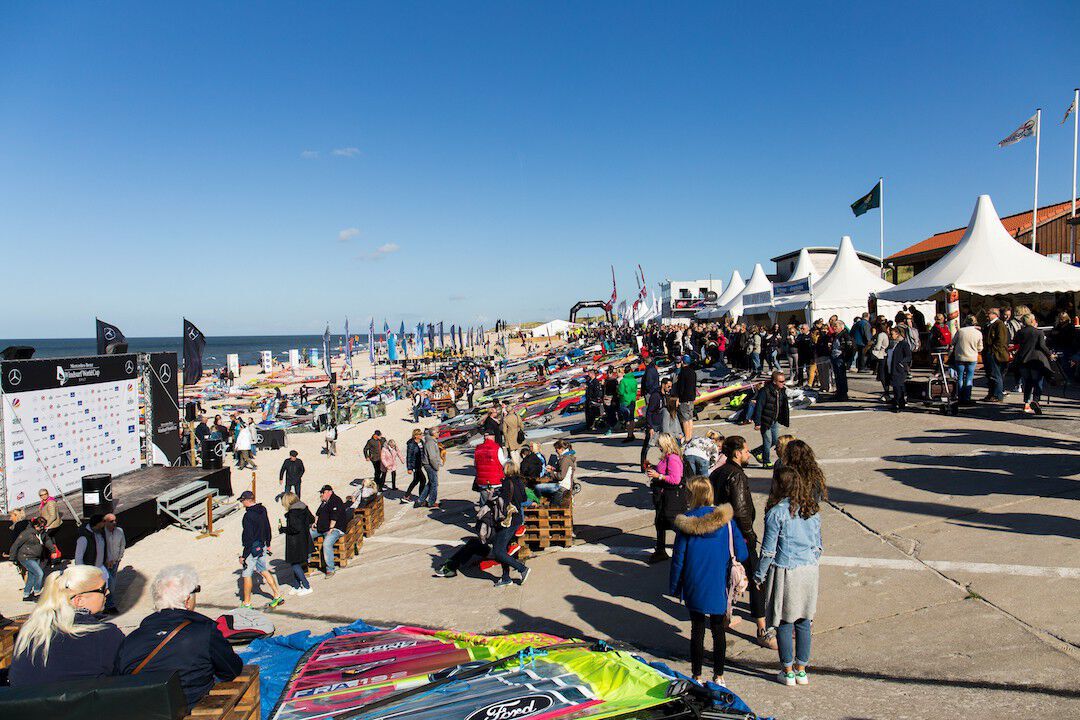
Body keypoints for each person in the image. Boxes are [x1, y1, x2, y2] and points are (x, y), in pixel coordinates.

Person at [116, 565, 243, 710]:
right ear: (188, 600)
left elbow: (121, 679)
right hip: (190, 710)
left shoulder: (131, 639)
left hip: (145, 711)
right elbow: (232, 671)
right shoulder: (204, 631)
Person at [669, 476, 747, 687]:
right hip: (719, 582)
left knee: (697, 629)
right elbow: (742, 552)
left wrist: (675, 586)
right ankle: (719, 675)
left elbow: (678, 559)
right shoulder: (726, 522)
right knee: (718, 629)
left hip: (694, 582)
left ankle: (696, 675)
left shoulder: (686, 524)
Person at [754, 467, 823, 687]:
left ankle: (787, 670)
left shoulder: (776, 513)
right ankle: (802, 670)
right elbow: (818, 545)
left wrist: (759, 575)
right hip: (809, 570)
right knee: (804, 620)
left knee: (784, 621)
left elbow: (768, 550)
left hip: (786, 570)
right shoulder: (812, 510)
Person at [710, 436, 775, 650]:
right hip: (739, 534)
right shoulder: (736, 475)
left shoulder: (718, 472)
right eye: (746, 451)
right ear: (737, 453)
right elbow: (741, 509)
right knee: (756, 579)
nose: (748, 454)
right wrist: (749, 533)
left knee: (726, 576)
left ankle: (726, 617)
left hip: (723, 531)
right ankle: (762, 629)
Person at [9, 565, 123, 686]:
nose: (108, 592)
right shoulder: (105, 635)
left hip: (26, 703)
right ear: (79, 600)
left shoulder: (29, 632)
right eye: (103, 589)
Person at [435, 461, 530, 586]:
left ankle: (522, 569)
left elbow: (503, 502)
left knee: (498, 551)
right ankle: (506, 577)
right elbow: (523, 499)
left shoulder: (507, 483)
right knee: (488, 546)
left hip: (508, 521)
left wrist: (493, 496)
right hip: (516, 520)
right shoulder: (519, 482)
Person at [645, 433, 688, 563]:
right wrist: (653, 468)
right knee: (660, 522)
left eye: (659, 445)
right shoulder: (667, 457)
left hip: (672, 497)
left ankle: (688, 547)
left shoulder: (673, 458)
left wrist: (658, 475)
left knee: (673, 523)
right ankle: (660, 550)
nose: (658, 447)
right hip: (664, 496)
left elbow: (675, 479)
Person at [238, 490, 284, 609]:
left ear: (248, 500)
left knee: (247, 574)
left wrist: (244, 555)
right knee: (263, 569)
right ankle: (277, 595)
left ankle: (247, 603)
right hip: (262, 545)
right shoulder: (262, 509)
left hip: (252, 548)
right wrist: (268, 542)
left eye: (243, 501)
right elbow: (267, 526)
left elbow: (248, 536)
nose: (242, 503)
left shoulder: (248, 516)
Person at [1013, 313, 1054, 415]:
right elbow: (1042, 346)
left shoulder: (1020, 332)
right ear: (1032, 321)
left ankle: (1026, 403)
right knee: (1037, 382)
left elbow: (1015, 342)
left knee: (1027, 382)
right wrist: (1050, 355)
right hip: (1035, 360)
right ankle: (1035, 400)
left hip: (1023, 360)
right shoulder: (1038, 332)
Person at [9, 516, 55, 600]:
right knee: (39, 573)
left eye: (42, 526)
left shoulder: (42, 533)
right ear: (35, 525)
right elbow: (16, 544)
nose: (41, 528)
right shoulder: (27, 533)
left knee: (32, 576)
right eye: (39, 526)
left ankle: (26, 595)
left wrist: (53, 550)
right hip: (25, 557)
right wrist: (12, 558)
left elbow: (47, 540)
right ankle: (37, 592)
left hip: (36, 557)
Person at [278, 492, 314, 596]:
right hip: (304, 538)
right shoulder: (303, 507)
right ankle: (297, 585)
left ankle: (307, 586)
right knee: (296, 563)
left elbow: (294, 528)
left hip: (295, 541)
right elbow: (311, 519)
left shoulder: (293, 513)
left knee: (294, 564)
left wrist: (283, 529)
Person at [753, 371, 790, 468]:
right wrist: (757, 423)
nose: (783, 383)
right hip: (765, 420)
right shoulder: (765, 391)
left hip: (775, 420)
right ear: (774, 382)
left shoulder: (781, 391)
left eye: (783, 381)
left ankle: (757, 451)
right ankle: (766, 462)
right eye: (781, 381)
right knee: (768, 440)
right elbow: (759, 407)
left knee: (775, 441)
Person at [311, 485, 348, 577]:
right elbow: (317, 514)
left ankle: (330, 569)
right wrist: (315, 523)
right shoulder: (324, 502)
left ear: (329, 492)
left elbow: (334, 516)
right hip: (322, 528)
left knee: (326, 544)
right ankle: (308, 559)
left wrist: (331, 528)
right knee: (306, 535)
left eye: (323, 492)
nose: (321, 494)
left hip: (335, 529)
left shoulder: (335, 501)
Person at [952, 315, 983, 405]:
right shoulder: (978, 333)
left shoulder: (960, 331)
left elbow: (953, 342)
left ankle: (960, 396)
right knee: (969, 378)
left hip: (960, 357)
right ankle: (967, 397)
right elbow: (980, 348)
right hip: (972, 358)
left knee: (960, 377)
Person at [534, 439, 577, 503]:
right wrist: (553, 469)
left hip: (562, 486)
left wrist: (550, 472)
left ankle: (539, 503)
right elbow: (563, 470)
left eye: (557, 449)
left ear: (561, 449)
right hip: (565, 485)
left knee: (537, 487)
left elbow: (561, 476)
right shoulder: (567, 457)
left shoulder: (565, 459)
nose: (556, 451)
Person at [983, 308, 1009, 402]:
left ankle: (998, 395)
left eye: (989, 313)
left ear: (995, 314)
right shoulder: (988, 325)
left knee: (996, 375)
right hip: (988, 353)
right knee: (990, 375)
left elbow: (1001, 341)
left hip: (996, 354)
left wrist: (993, 351)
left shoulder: (999, 324)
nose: (987, 315)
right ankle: (991, 394)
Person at [101, 514, 125, 613]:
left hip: (115, 561)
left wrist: (119, 558)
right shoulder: (102, 533)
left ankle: (108, 605)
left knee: (112, 583)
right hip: (105, 563)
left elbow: (122, 544)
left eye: (115, 520)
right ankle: (109, 605)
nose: (114, 523)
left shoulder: (119, 531)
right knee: (109, 584)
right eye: (111, 521)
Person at [474, 432, 506, 504]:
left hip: (482, 481)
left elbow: (475, 464)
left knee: (484, 502)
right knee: (498, 501)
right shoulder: (497, 448)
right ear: (492, 437)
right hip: (496, 480)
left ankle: (484, 514)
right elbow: (503, 462)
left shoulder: (478, 448)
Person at [886, 326, 912, 412]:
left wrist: (901, 363)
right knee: (896, 386)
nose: (890, 336)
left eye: (892, 334)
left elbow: (908, 356)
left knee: (898, 386)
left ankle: (897, 403)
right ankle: (900, 403)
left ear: (897, 334)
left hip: (899, 369)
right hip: (892, 368)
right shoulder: (892, 344)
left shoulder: (903, 344)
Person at [75, 514, 107, 579]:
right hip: (90, 573)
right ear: (98, 523)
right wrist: (84, 574)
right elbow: (78, 559)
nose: (105, 524)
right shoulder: (83, 538)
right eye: (103, 521)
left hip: (101, 569)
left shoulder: (100, 532)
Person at [417, 428, 442, 509]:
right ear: (433, 433)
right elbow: (432, 457)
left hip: (430, 464)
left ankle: (420, 500)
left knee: (431, 483)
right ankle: (431, 502)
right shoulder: (430, 442)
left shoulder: (432, 441)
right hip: (430, 465)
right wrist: (436, 466)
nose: (439, 433)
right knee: (434, 484)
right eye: (438, 432)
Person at [674, 354, 698, 439]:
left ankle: (687, 438)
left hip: (684, 398)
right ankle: (690, 435)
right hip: (691, 397)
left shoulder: (682, 372)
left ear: (682, 362)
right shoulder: (693, 372)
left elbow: (681, 387)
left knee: (684, 420)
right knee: (690, 418)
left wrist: (678, 397)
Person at [829, 319, 852, 401]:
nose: (834, 328)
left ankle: (843, 394)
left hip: (840, 358)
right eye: (834, 326)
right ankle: (839, 392)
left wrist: (846, 358)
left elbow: (849, 347)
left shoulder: (845, 335)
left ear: (841, 327)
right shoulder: (835, 335)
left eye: (836, 326)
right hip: (834, 357)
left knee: (841, 376)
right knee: (837, 377)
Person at [617, 365, 639, 442]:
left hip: (625, 401)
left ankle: (629, 435)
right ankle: (631, 433)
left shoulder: (623, 381)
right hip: (632, 399)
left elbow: (621, 392)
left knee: (627, 419)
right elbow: (636, 390)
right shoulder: (634, 380)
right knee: (631, 417)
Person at [404, 428, 427, 503]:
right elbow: (409, 456)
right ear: (416, 435)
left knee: (416, 481)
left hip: (420, 464)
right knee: (423, 480)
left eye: (422, 434)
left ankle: (406, 496)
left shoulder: (421, 442)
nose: (421, 435)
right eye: (420, 434)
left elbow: (423, 452)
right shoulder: (411, 444)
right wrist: (409, 468)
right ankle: (421, 497)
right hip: (415, 465)